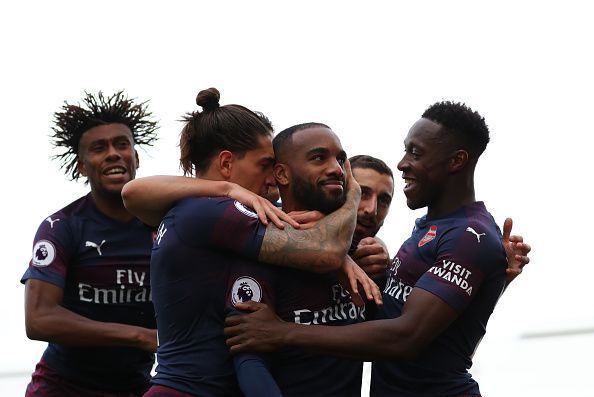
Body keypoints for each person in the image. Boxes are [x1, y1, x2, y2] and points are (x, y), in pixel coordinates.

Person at [225, 101, 531, 397]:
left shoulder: (468, 236)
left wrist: (283, 332)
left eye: (416, 152)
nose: (402, 163)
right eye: (405, 149)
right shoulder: (421, 229)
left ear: (456, 161)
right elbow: (398, 318)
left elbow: (406, 336)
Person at [121, 88, 368, 396]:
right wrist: (352, 198)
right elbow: (324, 251)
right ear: (226, 163)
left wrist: (347, 255)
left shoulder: (198, 209)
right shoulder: (213, 210)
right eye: (265, 165)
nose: (274, 178)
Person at [21, 91, 160, 396]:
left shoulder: (165, 228)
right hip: (62, 387)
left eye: (122, 144)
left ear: (135, 158)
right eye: (99, 148)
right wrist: (139, 335)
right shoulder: (62, 227)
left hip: (136, 387)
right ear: (82, 166)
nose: (113, 153)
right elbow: (39, 318)